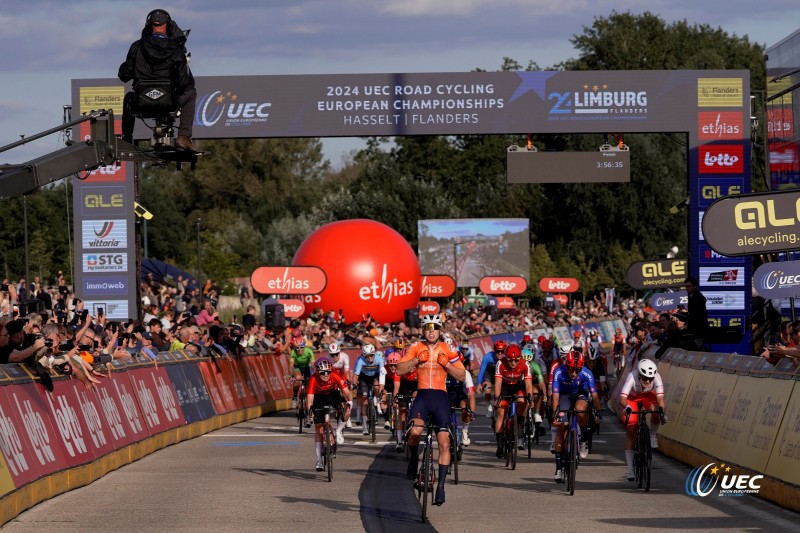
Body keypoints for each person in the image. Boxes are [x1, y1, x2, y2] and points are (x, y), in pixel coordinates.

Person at [396, 314, 466, 506]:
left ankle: (441, 486)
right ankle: (412, 460)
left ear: (440, 329)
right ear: (423, 330)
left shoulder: (448, 348)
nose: (431, 330)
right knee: (415, 433)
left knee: (444, 442)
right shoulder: (415, 347)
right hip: (423, 396)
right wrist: (416, 361)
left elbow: (462, 375)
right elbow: (399, 370)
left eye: (435, 327)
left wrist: (447, 365)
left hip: (440, 397)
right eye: (427, 327)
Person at [118, 8, 197, 151]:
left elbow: (123, 75)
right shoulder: (176, 49)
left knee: (128, 97)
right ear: (169, 25)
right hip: (169, 103)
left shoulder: (136, 46)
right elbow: (184, 82)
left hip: (141, 103)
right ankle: (184, 137)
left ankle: (127, 139)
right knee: (191, 92)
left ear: (149, 25)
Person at [550, 350, 601, 483]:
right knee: (562, 427)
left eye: (577, 370)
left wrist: (598, 411)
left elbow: (594, 395)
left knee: (580, 409)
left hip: (580, 394)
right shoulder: (558, 372)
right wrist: (556, 413)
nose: (574, 373)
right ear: (566, 365)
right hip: (564, 396)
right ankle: (559, 468)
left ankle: (583, 439)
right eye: (571, 369)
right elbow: (555, 396)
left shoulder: (586, 373)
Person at [619, 359, 668, 481]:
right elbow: (622, 399)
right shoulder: (632, 376)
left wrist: (662, 414)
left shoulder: (657, 377)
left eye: (650, 379)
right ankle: (630, 468)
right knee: (631, 428)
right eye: (645, 378)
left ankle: (652, 436)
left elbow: (661, 399)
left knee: (656, 410)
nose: (647, 381)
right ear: (639, 375)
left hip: (646, 397)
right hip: (631, 399)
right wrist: (628, 407)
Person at [306, 357, 352, 471]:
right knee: (319, 429)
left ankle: (339, 430)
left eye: (328, 372)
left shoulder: (335, 375)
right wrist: (310, 410)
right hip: (319, 398)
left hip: (332, 394)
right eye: (322, 372)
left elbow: (346, 392)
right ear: (317, 372)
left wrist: (350, 403)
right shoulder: (313, 379)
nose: (326, 375)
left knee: (345, 408)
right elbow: (310, 399)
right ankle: (319, 461)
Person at [493, 344, 534, 454]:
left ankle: (519, 421)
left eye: (516, 360)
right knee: (501, 412)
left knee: (522, 401)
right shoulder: (500, 363)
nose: (513, 363)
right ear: (506, 357)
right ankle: (500, 443)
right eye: (510, 360)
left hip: (518, 386)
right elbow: (497, 384)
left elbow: (529, 385)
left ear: (520, 358)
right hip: (505, 386)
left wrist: (530, 399)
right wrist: (497, 398)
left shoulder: (525, 364)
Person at [353, 343, 385, 436]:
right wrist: (354, 384)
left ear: (374, 354)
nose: (370, 358)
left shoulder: (379, 360)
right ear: (364, 356)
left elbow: (382, 373)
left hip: (375, 376)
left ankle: (378, 401)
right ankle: (365, 426)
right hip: (364, 378)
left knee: (376, 386)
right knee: (365, 400)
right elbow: (356, 375)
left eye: (371, 355)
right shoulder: (360, 360)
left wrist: (381, 387)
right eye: (367, 356)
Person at [683, 276, 708, 345]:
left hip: (698, 330)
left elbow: (697, 315)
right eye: (686, 287)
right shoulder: (691, 295)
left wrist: (686, 317)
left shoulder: (698, 297)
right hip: (694, 328)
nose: (687, 288)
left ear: (695, 286)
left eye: (689, 286)